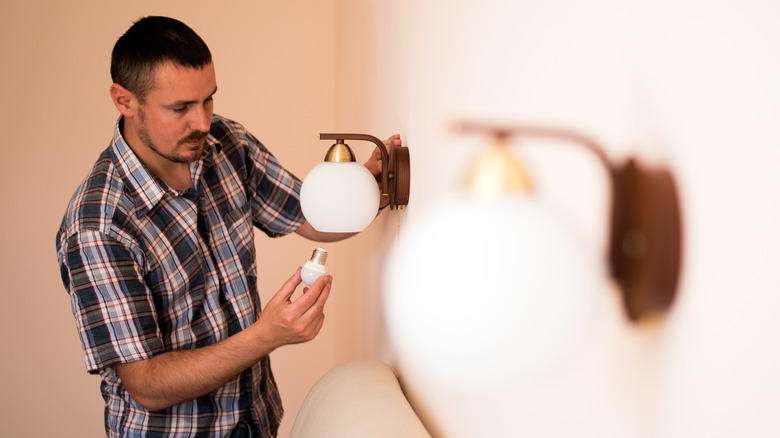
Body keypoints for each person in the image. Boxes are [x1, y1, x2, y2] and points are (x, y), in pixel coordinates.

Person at [55, 16, 398, 437]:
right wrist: (267, 335)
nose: (202, 122)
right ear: (124, 101)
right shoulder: (98, 226)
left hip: (256, 421)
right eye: (180, 108)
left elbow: (311, 219)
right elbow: (146, 383)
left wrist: (364, 187)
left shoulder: (225, 144)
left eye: (208, 100)